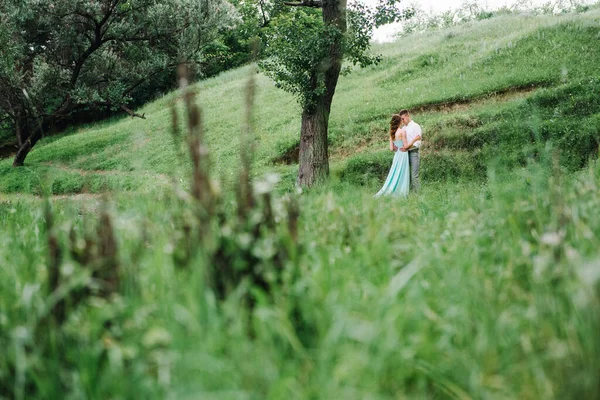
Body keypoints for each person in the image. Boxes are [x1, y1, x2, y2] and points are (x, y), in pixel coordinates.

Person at [375, 114, 418, 197]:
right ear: (400, 122)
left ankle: (392, 190)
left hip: (397, 155)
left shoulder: (392, 133)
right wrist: (414, 140)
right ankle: (401, 192)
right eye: (401, 120)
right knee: (402, 173)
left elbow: (391, 149)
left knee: (395, 173)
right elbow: (405, 146)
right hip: (403, 155)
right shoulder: (402, 132)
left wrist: (396, 147)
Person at [397, 109, 422, 192]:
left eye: (403, 118)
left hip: (414, 153)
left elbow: (418, 142)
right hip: (405, 154)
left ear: (408, 116)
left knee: (414, 175)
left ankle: (418, 193)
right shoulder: (403, 129)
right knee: (406, 174)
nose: (402, 121)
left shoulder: (416, 126)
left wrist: (408, 147)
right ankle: (408, 192)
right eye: (401, 119)